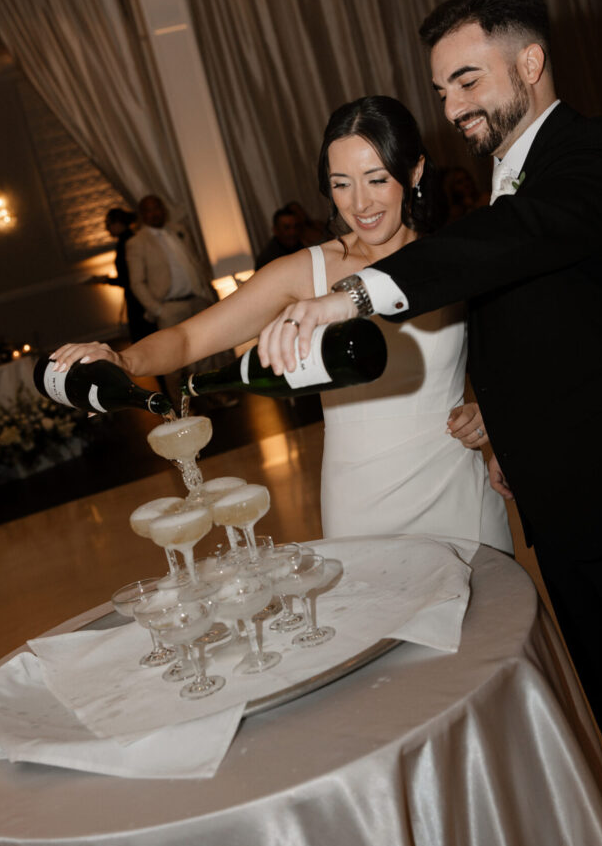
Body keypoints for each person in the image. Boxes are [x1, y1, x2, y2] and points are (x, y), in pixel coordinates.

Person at [258, 0, 602, 846]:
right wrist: (497, 414)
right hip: (573, 522)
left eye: (467, 81)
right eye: (441, 90)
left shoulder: (592, 154)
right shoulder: (506, 184)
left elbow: (514, 242)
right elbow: (556, 328)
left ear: (530, 63)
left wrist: (353, 291)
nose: (450, 108)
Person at [50, 96, 512, 559]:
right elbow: (189, 337)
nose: (361, 203)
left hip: (459, 492)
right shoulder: (303, 272)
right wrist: (123, 359)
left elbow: (517, 358)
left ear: (414, 172)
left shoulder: (453, 257)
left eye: (376, 179)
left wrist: (491, 413)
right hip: (360, 501)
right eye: (341, 184)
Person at [126, 193, 234, 408]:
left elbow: (196, 262)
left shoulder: (178, 230)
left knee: (205, 354)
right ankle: (179, 407)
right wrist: (157, 310)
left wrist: (207, 293)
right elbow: (137, 282)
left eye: (158, 207)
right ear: (142, 214)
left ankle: (214, 395)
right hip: (169, 307)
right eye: (149, 209)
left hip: (196, 300)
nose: (155, 213)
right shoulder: (137, 242)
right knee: (172, 360)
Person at [89, 206, 155, 343]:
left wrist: (106, 280)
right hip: (137, 297)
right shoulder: (126, 241)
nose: (107, 229)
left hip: (138, 299)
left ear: (119, 223)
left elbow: (129, 279)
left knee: (145, 338)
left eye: (109, 224)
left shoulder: (128, 243)